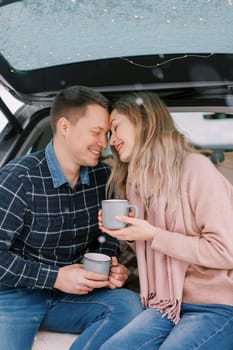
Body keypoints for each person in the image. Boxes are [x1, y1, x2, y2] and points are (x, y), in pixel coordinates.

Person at [0, 85, 142, 350]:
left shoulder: (102, 178)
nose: (105, 143)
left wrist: (107, 269)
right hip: (14, 295)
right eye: (96, 132)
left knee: (128, 305)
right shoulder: (18, 179)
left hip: (71, 296)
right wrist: (55, 277)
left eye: (107, 134)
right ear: (65, 127)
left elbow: (105, 237)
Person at [98, 91, 233, 350]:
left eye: (115, 128)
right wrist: (125, 234)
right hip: (166, 304)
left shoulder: (196, 169)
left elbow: (225, 250)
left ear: (144, 121)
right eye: (108, 134)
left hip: (215, 305)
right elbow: (152, 253)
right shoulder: (134, 185)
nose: (111, 140)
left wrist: (153, 235)